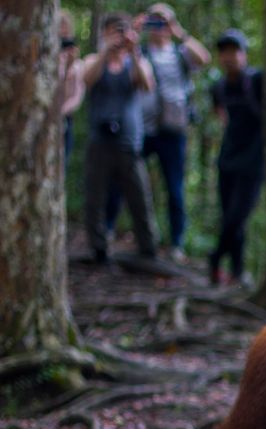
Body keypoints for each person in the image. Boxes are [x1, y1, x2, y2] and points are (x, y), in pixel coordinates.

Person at [105, 3, 210, 263]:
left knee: (174, 188)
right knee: (122, 178)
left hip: (173, 130)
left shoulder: (179, 52)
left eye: (163, 21)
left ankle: (176, 243)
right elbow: (115, 60)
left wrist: (179, 32)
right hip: (143, 128)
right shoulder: (138, 50)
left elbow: (204, 58)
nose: (158, 27)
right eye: (154, 21)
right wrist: (134, 32)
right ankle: (108, 230)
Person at [81, 12, 159, 263]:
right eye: (115, 31)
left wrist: (134, 52)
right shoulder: (94, 60)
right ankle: (98, 248)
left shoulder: (137, 61)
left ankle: (148, 249)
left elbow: (147, 85)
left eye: (122, 31)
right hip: (99, 142)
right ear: (104, 33)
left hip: (129, 143)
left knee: (140, 198)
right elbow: (86, 80)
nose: (119, 36)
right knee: (95, 198)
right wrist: (105, 51)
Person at [208, 29, 263, 287]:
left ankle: (215, 259)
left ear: (244, 54)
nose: (229, 57)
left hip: (253, 163)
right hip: (227, 161)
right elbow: (221, 116)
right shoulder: (218, 87)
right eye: (224, 52)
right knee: (230, 218)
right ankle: (237, 272)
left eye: (234, 51)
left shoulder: (258, 81)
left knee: (237, 217)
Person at [59, 10, 86, 172]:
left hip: (64, 121)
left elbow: (76, 97)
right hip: (40, 118)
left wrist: (69, 64)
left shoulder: (78, 65)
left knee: (62, 168)